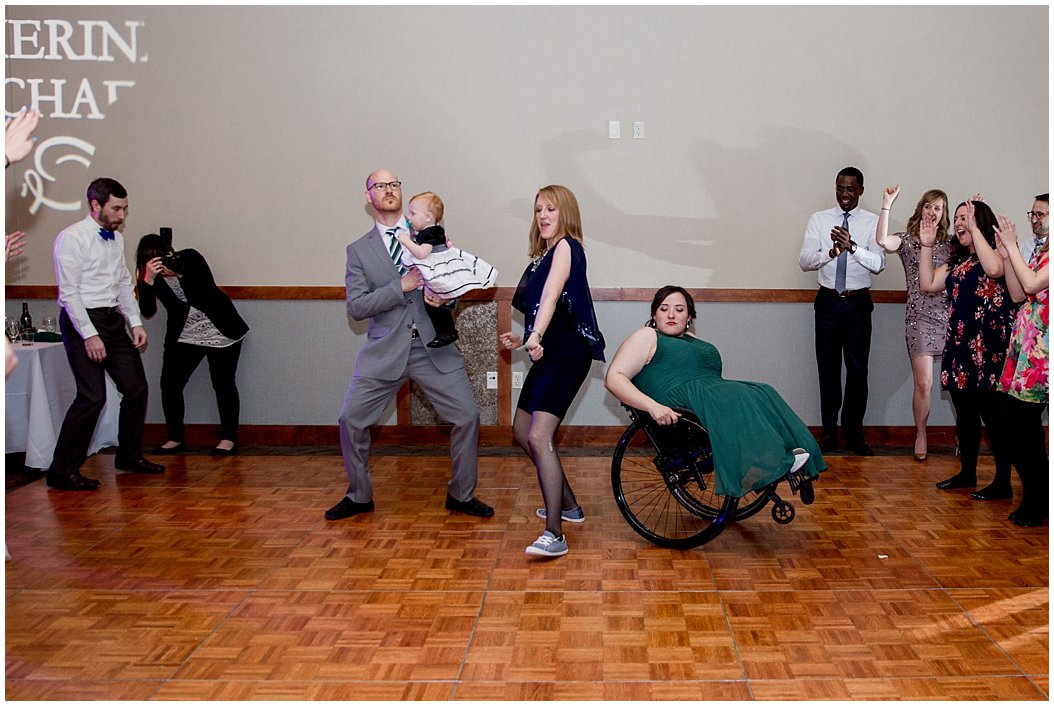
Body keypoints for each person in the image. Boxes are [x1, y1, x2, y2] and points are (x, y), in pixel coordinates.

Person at [327, 169, 493, 520]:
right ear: (368, 196)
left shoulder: (429, 234)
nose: (389, 190)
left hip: (433, 349)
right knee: (351, 421)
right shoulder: (358, 251)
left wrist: (443, 301)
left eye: (394, 184)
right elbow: (356, 307)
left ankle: (461, 495)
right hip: (384, 351)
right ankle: (359, 496)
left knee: (468, 417)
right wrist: (399, 288)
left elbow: (453, 285)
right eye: (380, 185)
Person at [605, 286, 824, 499]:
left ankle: (793, 452)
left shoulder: (695, 341)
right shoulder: (647, 335)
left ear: (689, 316)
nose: (671, 314)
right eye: (664, 309)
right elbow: (614, 377)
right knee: (741, 395)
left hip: (708, 395)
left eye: (679, 309)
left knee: (762, 390)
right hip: (676, 402)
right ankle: (777, 463)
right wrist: (653, 406)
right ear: (654, 313)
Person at [499, 185, 605, 558]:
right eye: (539, 209)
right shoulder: (541, 255)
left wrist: (537, 333)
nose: (543, 216)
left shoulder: (566, 247)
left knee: (539, 437)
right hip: (550, 350)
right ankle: (569, 506)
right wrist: (523, 335)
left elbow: (550, 297)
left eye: (551, 209)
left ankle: (555, 533)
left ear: (566, 214)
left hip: (566, 354)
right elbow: (546, 308)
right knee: (521, 430)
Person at [47, 177, 163, 490]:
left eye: (125, 209)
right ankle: (62, 470)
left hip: (112, 320)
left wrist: (135, 322)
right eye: (116, 209)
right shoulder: (72, 238)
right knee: (92, 397)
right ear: (96, 205)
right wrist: (89, 335)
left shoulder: (116, 238)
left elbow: (124, 284)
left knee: (136, 388)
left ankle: (129, 455)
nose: (122, 216)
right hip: (81, 320)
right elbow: (70, 294)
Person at [919, 199, 1017, 499]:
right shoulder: (957, 260)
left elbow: (994, 269)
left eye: (966, 218)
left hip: (989, 346)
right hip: (961, 344)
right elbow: (928, 283)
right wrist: (926, 245)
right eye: (958, 219)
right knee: (965, 414)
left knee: (994, 416)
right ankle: (968, 472)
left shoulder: (998, 250)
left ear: (979, 222)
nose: (959, 223)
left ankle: (1002, 482)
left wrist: (976, 230)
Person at [135, 232, 249, 455]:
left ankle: (228, 438)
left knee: (223, 383)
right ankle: (175, 437)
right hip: (185, 333)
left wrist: (177, 272)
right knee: (169, 384)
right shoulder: (150, 279)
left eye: (162, 256)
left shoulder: (190, 258)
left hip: (221, 328)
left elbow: (206, 288)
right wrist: (147, 281)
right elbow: (147, 311)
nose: (160, 263)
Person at [799, 167, 885, 456]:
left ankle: (854, 434)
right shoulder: (819, 220)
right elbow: (805, 261)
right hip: (827, 302)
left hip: (857, 303)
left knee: (858, 371)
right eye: (840, 188)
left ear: (861, 190)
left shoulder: (873, 223)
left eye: (850, 189)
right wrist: (833, 253)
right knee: (828, 369)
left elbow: (879, 263)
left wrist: (853, 247)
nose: (844, 194)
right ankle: (828, 433)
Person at [875, 185, 951, 461]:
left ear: (944, 215)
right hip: (919, 318)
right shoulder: (907, 240)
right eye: (929, 206)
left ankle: (964, 437)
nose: (933, 211)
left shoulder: (950, 244)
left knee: (955, 382)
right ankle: (921, 433)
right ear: (921, 208)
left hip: (949, 317)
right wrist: (887, 203)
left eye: (939, 208)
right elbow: (883, 241)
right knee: (924, 383)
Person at [993, 195, 1048, 526]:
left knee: (1023, 423)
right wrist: (1006, 255)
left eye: (1041, 214)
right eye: (1033, 213)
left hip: (1044, 349)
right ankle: (1034, 494)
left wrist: (1012, 246)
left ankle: (1038, 500)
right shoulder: (1039, 251)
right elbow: (1018, 293)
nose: (1034, 219)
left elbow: (1032, 283)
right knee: (1006, 419)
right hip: (1025, 346)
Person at [396, 191, 497, 348]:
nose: (409, 217)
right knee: (433, 304)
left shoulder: (428, 233)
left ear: (428, 216)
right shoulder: (435, 230)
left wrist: (406, 241)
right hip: (438, 268)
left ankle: (446, 332)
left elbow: (422, 253)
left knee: (434, 304)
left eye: (413, 213)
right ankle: (447, 331)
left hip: (437, 270)